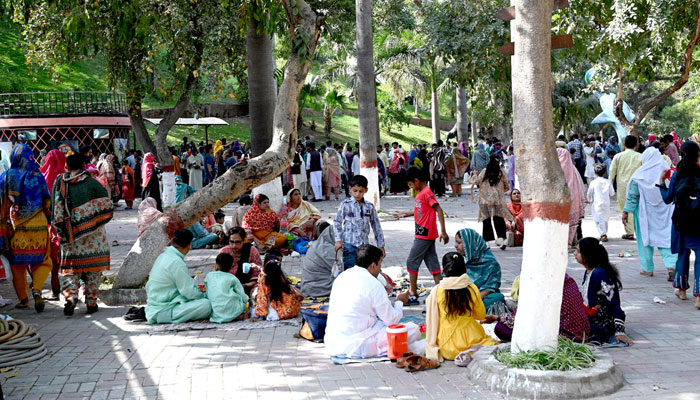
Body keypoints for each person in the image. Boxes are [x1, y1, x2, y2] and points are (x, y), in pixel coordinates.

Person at [325, 245, 424, 359]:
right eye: (380, 264)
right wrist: (399, 301)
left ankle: (414, 348)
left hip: (333, 343)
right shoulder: (373, 284)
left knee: (393, 331)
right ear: (373, 265)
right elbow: (391, 320)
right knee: (413, 329)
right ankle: (418, 348)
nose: (380, 269)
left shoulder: (342, 276)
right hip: (358, 345)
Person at [51, 153, 114, 315]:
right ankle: (91, 303)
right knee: (93, 270)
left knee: (70, 270)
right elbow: (107, 205)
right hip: (94, 237)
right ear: (84, 166)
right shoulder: (93, 184)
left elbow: (55, 210)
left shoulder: (60, 184)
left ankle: (71, 297)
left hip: (70, 236)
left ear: (67, 166)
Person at [0, 144, 53, 312]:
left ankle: (23, 299)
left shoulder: (6, 176)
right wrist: (51, 221)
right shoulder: (38, 175)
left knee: (17, 265)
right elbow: (47, 200)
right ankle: (37, 289)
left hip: (16, 226)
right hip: (39, 223)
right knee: (43, 260)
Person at [425, 252, 498, 362]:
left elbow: (432, 320)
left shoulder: (436, 291)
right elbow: (480, 315)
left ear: (444, 271)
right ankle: (469, 353)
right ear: (465, 270)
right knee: (491, 344)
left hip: (446, 348)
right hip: (471, 341)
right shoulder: (472, 289)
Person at [394, 167, 448, 306]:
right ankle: (440, 292)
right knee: (432, 261)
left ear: (416, 181)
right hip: (424, 232)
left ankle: (412, 294)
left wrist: (443, 231)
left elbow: (439, 209)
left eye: (411, 184)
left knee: (412, 261)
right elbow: (420, 210)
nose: (410, 187)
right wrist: (405, 214)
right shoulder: (421, 193)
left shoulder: (426, 193)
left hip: (424, 233)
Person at [623, 147, 677, 278]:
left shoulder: (639, 176)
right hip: (665, 212)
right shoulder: (666, 172)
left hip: (644, 213)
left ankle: (647, 269)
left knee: (644, 240)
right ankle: (672, 266)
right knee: (666, 238)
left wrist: (626, 212)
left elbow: (633, 197)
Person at [490, 273, 590, 343]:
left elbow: (518, 319)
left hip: (562, 338)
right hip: (582, 334)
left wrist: (496, 318)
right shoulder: (568, 280)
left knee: (500, 328)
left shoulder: (538, 286)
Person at [660, 141, 700, 308]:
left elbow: (668, 198)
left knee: (682, 255)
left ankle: (682, 290)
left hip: (680, 221)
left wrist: (662, 182)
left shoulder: (677, 173)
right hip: (698, 221)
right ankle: (698, 296)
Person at [145, 229, 212, 324]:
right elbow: (189, 292)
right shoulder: (177, 262)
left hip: (157, 305)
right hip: (163, 310)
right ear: (189, 246)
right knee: (206, 305)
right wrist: (205, 296)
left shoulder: (164, 256)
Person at [575, 237, 633, 345]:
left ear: (587, 255)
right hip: (592, 314)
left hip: (601, 322)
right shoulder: (589, 271)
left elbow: (613, 302)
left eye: (578, 251)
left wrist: (619, 331)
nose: (575, 253)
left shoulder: (600, 273)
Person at [333, 175, 385, 269]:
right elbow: (337, 222)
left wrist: (380, 245)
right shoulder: (345, 205)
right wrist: (338, 240)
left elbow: (376, 226)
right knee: (350, 271)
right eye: (355, 191)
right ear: (350, 189)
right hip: (349, 246)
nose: (357, 194)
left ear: (366, 190)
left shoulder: (369, 206)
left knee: (363, 270)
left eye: (361, 191)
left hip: (364, 247)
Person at [454, 228, 507, 315]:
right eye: (456, 242)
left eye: (459, 243)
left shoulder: (491, 263)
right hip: (463, 296)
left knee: (497, 298)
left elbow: (490, 288)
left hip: (481, 297)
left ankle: (467, 309)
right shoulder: (459, 260)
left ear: (470, 245)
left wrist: (473, 300)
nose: (455, 246)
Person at [609, 135, 643, 240]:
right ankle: (639, 231)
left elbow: (611, 172)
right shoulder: (640, 156)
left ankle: (629, 232)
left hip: (623, 187)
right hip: (637, 186)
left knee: (626, 209)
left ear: (624, 145)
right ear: (636, 145)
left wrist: (608, 187)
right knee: (637, 208)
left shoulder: (618, 156)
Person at [254, 252, 304, 320]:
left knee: (255, 294)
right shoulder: (282, 278)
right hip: (291, 311)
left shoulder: (264, 280)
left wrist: (260, 314)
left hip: (275, 314)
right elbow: (296, 295)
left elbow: (262, 298)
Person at [476, 154, 511, 250]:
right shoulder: (501, 172)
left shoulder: (484, 171)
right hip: (498, 200)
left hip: (485, 199)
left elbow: (477, 181)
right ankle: (503, 239)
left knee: (486, 221)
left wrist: (475, 174)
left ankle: (487, 242)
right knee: (499, 219)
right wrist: (500, 192)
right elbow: (507, 186)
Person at [205, 253, 249, 323]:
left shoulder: (209, 276)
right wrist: (246, 301)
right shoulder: (232, 278)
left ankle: (227, 316)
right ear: (231, 266)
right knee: (241, 303)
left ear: (216, 265)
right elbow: (242, 295)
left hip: (216, 312)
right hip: (232, 308)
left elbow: (207, 291)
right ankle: (238, 316)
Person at [218, 227, 262, 296]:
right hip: (228, 286)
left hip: (249, 285)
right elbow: (218, 273)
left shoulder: (252, 251)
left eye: (238, 242)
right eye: (231, 242)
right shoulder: (224, 252)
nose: (234, 245)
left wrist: (246, 285)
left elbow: (257, 274)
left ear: (244, 240)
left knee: (259, 291)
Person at [557, 148, 586, 247]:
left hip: (557, 201)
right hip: (573, 200)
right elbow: (580, 185)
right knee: (572, 222)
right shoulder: (573, 169)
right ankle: (568, 242)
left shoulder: (554, 169)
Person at [301, 222, 337, 297]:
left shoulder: (316, 244)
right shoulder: (326, 249)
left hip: (308, 288)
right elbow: (340, 270)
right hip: (317, 290)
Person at [586, 164, 615, 242]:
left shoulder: (593, 182)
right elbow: (612, 193)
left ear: (595, 173)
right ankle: (604, 233)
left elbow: (589, 193)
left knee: (598, 219)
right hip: (606, 203)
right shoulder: (608, 182)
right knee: (605, 219)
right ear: (605, 173)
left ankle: (603, 234)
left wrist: (590, 200)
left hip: (597, 203)